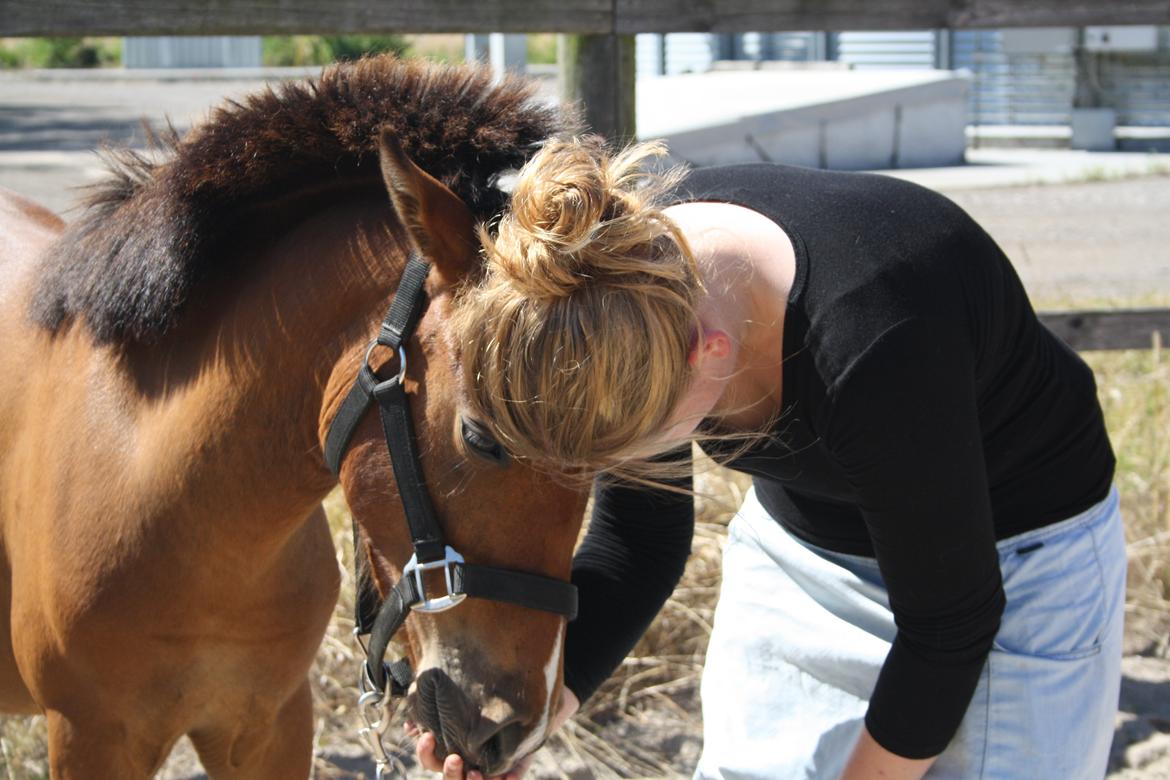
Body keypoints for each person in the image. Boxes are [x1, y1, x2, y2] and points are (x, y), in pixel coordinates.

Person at [412, 136, 1125, 780]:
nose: (624, 465)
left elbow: (951, 624)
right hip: (805, 548)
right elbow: (641, 538)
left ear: (709, 352)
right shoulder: (616, 286)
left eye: (641, 446)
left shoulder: (874, 338)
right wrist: (524, 723)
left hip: (1020, 556)